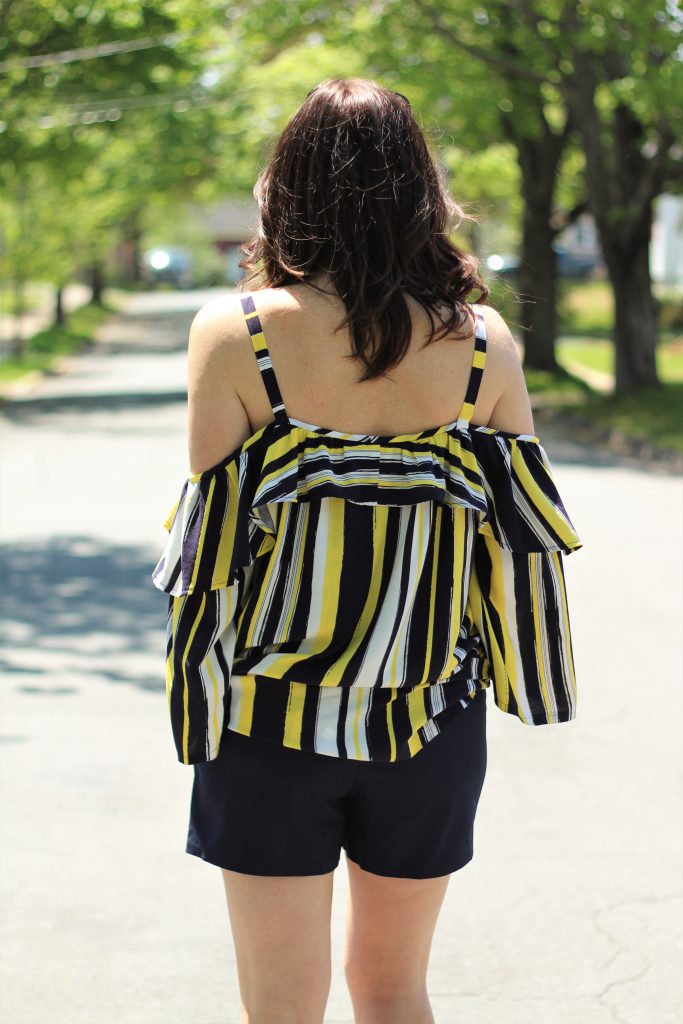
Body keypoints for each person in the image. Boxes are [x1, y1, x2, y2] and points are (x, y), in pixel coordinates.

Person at [152, 78, 583, 1024]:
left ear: (288, 188)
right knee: (394, 994)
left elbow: (210, 551)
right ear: (421, 191)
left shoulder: (237, 336)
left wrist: (194, 710)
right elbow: (518, 542)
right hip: (429, 720)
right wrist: (531, 682)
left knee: (280, 1009)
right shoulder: (484, 348)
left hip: (266, 719)